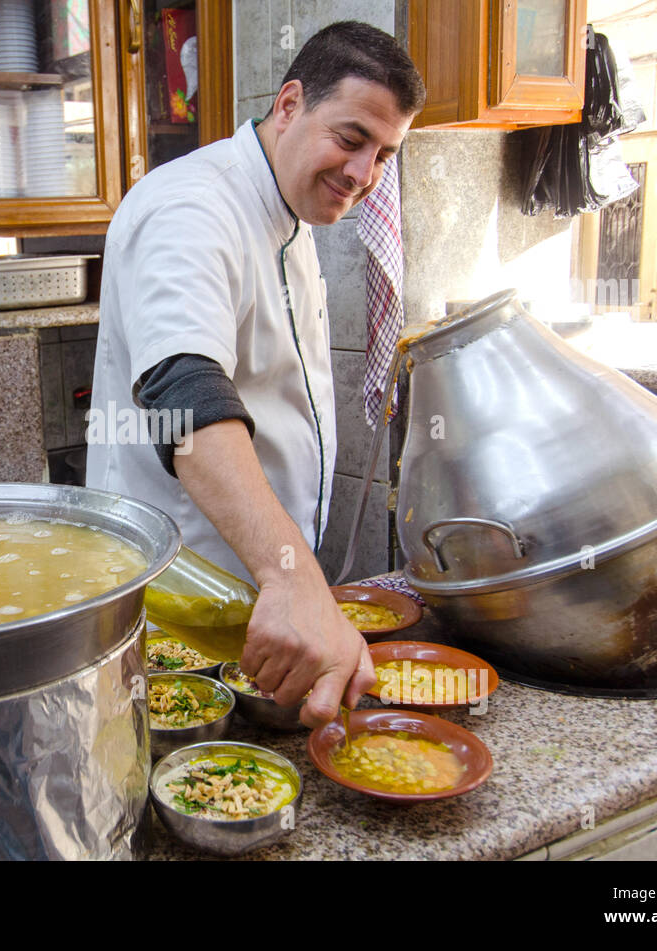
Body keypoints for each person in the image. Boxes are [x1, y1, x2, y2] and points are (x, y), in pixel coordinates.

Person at [85, 22, 426, 727]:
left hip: (259, 614)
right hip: (183, 624)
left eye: (384, 155)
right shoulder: (191, 207)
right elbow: (185, 398)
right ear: (291, 104)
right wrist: (291, 572)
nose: (363, 174)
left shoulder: (292, 214)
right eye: (352, 137)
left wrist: (295, 580)